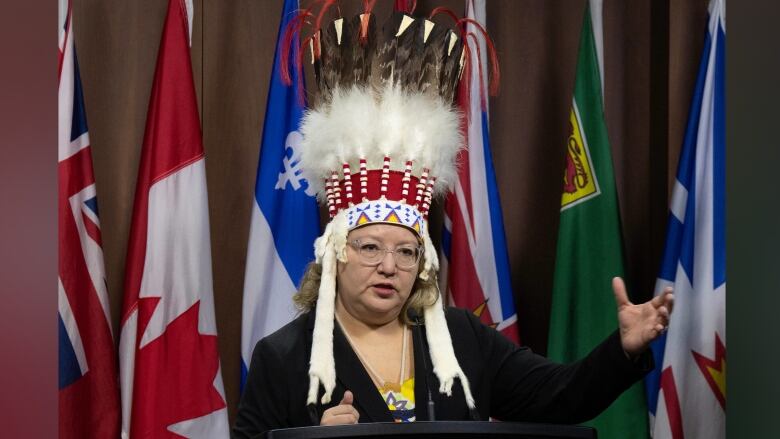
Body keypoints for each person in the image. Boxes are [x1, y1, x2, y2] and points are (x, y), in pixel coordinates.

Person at [232, 5, 674, 438]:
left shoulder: (463, 338)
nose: (390, 266)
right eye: (370, 247)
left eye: (407, 252)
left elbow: (561, 396)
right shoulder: (284, 357)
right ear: (335, 254)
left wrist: (624, 348)